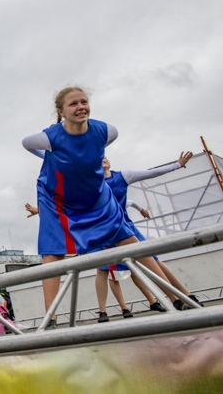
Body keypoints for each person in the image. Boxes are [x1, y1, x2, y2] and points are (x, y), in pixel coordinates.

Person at [22, 86, 179, 329]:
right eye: (73, 104)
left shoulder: (105, 131)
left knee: (128, 239)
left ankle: (174, 297)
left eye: (83, 102)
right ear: (60, 111)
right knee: (53, 251)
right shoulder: (49, 138)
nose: (80, 107)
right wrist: (49, 156)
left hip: (95, 196)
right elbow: (26, 143)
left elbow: (103, 147)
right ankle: (50, 318)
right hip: (57, 199)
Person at [102, 154, 201, 311]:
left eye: (104, 156)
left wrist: (177, 165)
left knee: (155, 261)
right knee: (113, 271)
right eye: (98, 157)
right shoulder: (92, 184)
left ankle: (186, 295)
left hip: (127, 227)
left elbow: (151, 173)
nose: (102, 159)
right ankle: (172, 299)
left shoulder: (123, 176)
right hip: (110, 232)